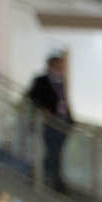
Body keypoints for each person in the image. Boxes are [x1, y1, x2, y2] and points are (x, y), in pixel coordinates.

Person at [26, 52, 73, 193]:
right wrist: (43, 109)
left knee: (56, 153)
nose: (61, 68)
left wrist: (71, 120)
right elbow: (32, 96)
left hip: (63, 121)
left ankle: (38, 175)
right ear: (51, 66)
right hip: (50, 122)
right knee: (54, 153)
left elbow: (64, 100)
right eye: (58, 65)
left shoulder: (62, 80)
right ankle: (56, 183)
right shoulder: (41, 80)